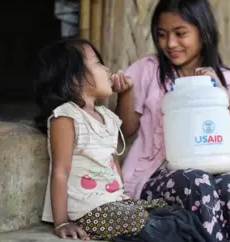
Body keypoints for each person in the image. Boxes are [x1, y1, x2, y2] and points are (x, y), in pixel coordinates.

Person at [114, 0, 230, 242]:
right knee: (197, 180)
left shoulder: (223, 77)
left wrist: (222, 92)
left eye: (180, 34)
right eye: (162, 35)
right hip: (153, 180)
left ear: (203, 33)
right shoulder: (149, 70)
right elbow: (125, 131)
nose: (170, 44)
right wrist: (125, 94)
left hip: (208, 175)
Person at [34, 38, 212, 241]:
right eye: (98, 63)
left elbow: (112, 160)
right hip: (89, 211)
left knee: (175, 215)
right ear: (74, 78)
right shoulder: (66, 117)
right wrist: (62, 222)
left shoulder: (105, 116)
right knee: (157, 226)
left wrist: (126, 93)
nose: (107, 68)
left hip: (114, 204)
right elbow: (60, 171)